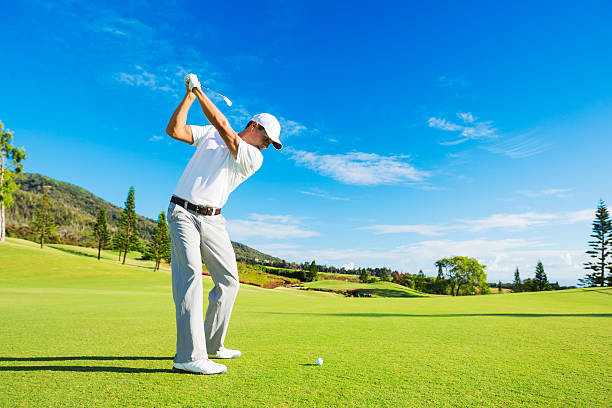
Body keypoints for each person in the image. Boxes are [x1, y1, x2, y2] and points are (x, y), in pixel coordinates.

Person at [165, 73, 282, 375]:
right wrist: (190, 96)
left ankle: (212, 345)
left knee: (229, 282)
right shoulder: (209, 135)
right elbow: (175, 130)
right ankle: (189, 356)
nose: (268, 146)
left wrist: (200, 92)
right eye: (267, 138)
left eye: (271, 143)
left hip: (214, 220)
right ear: (254, 126)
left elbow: (226, 130)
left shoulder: (253, 156)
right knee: (190, 276)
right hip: (183, 212)